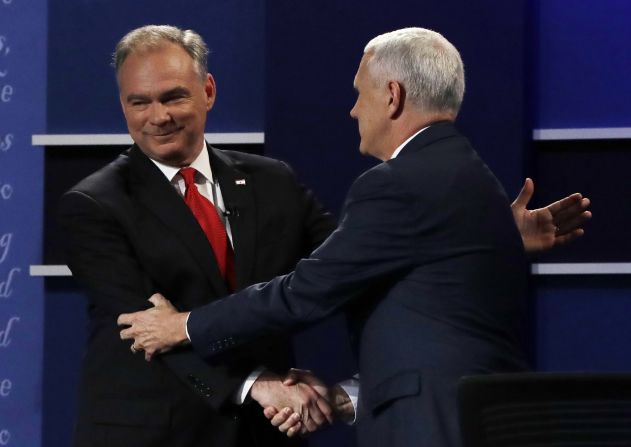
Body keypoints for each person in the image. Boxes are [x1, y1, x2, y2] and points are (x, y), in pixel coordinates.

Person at [118, 27, 592, 446]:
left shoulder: (396, 183)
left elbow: (306, 292)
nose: (351, 109)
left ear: (392, 96)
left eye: (359, 93)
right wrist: (345, 397)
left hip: (431, 426)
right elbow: (434, 310)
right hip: (474, 415)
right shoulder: (471, 176)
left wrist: (182, 326)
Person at [58, 25, 337, 447]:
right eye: (140, 102)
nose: (159, 116)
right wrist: (256, 383)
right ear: (123, 106)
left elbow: (339, 267)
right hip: (156, 432)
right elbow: (147, 332)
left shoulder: (272, 181)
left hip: (267, 430)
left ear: (207, 91)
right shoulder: (94, 205)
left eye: (173, 96)